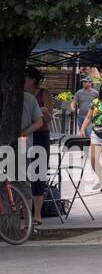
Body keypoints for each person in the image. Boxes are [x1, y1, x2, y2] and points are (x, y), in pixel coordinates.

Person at [19, 68, 48, 225]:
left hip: (25, 142)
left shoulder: (30, 98)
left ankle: (29, 217)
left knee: (24, 179)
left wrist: (24, 132)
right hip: (21, 142)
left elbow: (41, 121)